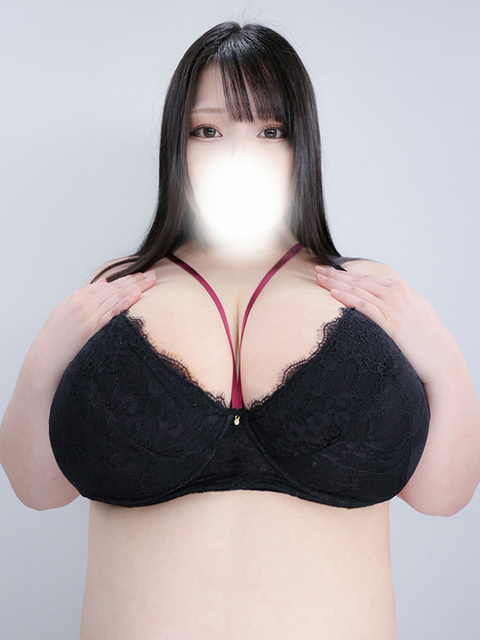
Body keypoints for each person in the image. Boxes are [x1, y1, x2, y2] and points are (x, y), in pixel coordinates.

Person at [1, 20, 479, 640]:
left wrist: (445, 360)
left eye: (270, 130)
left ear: (301, 144)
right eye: (208, 130)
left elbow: (444, 495)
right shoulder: (116, 288)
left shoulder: (370, 291)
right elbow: (37, 489)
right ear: (177, 144)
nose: (238, 154)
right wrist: (43, 357)